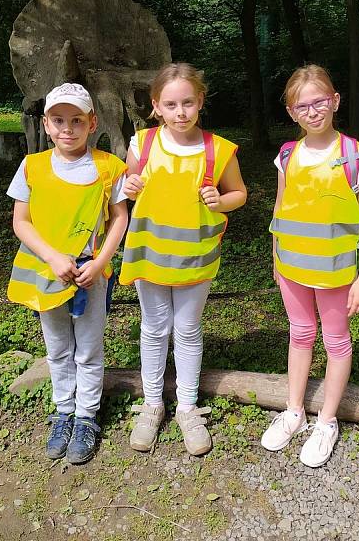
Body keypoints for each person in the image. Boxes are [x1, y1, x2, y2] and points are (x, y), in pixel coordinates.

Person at [120, 63, 247, 455]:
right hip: (151, 257)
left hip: (196, 258)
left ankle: (188, 408)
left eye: (187, 103)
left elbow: (239, 193)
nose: (180, 112)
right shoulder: (141, 143)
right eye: (171, 104)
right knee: (155, 328)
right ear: (156, 106)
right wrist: (128, 184)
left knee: (188, 329)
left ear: (200, 102)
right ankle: (153, 404)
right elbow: (126, 189)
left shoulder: (219, 149)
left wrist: (221, 200)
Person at [261, 64, 359, 467]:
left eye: (320, 102)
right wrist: (276, 257)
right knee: (299, 334)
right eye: (302, 106)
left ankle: (326, 420)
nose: (313, 111)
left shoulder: (354, 155)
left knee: (336, 341)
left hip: (335, 273)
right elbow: (279, 208)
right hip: (291, 269)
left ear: (335, 101)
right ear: (292, 112)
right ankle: (293, 411)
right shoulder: (287, 155)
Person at [6, 83, 128, 464]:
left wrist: (100, 262)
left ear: (92, 123)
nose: (67, 128)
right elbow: (21, 222)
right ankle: (64, 410)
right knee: (58, 348)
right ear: (46, 124)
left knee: (89, 349)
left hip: (91, 273)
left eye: (77, 120)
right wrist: (54, 258)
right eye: (58, 120)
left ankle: (87, 416)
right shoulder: (33, 166)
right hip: (48, 274)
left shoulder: (110, 167)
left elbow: (120, 217)